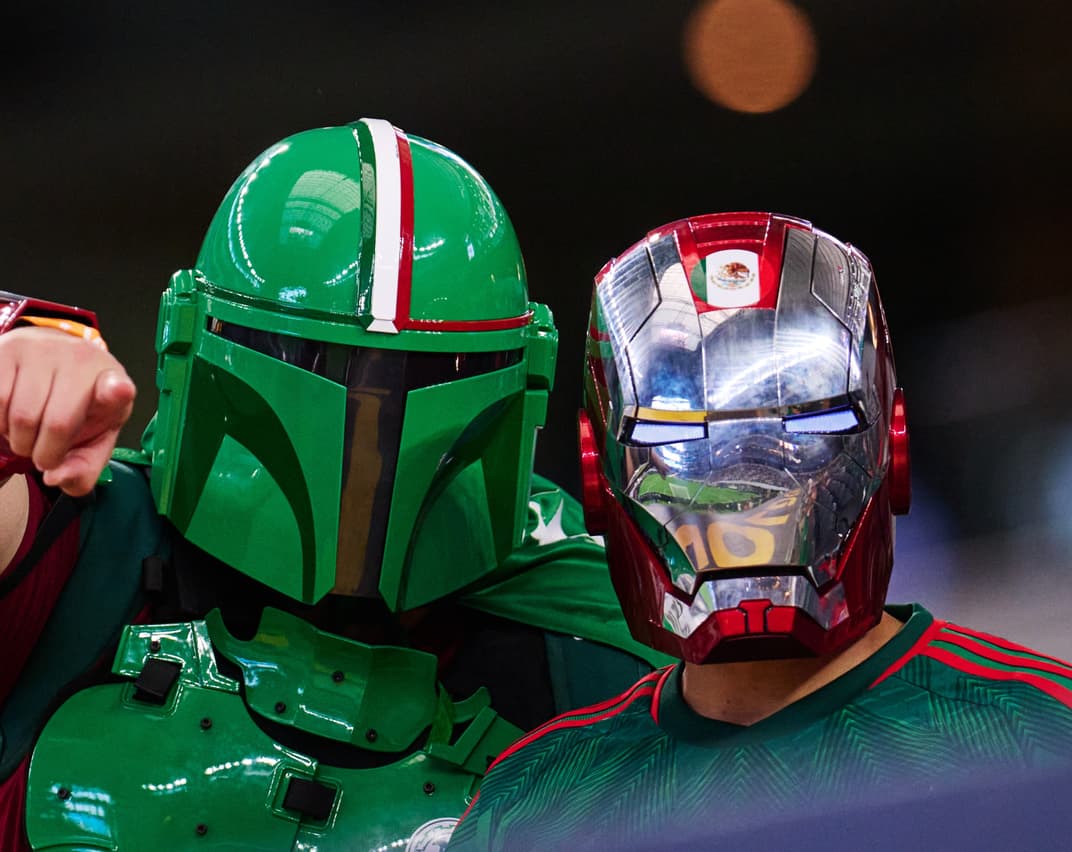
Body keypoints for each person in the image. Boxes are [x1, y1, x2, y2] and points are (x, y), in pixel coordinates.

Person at [0, 118, 671, 852]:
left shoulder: (586, 629)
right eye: (312, 364)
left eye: (435, 375)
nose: (370, 432)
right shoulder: (75, 556)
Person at [448, 212, 1072, 851]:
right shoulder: (532, 803)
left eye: (803, 424)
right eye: (679, 435)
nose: (741, 485)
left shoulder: (1045, 739)